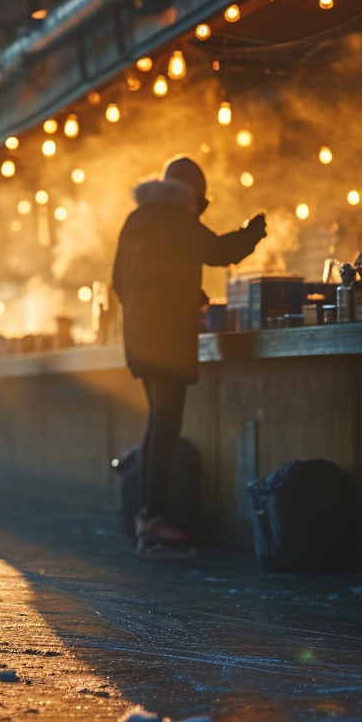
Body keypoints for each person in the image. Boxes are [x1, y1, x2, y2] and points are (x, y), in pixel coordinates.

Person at [111, 155, 266, 559]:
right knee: (166, 425)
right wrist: (253, 233)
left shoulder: (137, 220)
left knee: (157, 424)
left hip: (141, 336)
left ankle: (148, 520)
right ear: (190, 191)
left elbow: (123, 280)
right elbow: (217, 251)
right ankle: (153, 520)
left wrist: (172, 299)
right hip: (165, 336)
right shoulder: (176, 219)